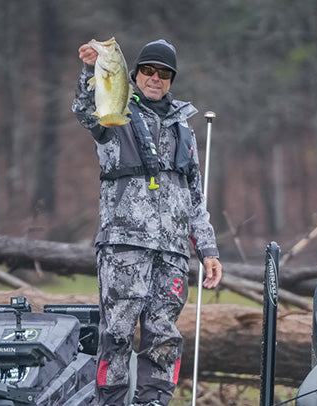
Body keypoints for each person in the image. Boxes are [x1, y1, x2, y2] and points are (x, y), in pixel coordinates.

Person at [72, 38, 223, 406]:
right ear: (136, 73)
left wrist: (208, 250)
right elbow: (84, 109)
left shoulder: (183, 128)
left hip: (171, 252)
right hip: (125, 246)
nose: (155, 78)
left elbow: (195, 197)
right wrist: (90, 70)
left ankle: (154, 402)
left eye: (164, 73)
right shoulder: (116, 110)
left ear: (172, 79)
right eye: (148, 70)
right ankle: (111, 401)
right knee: (118, 333)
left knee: (164, 336)